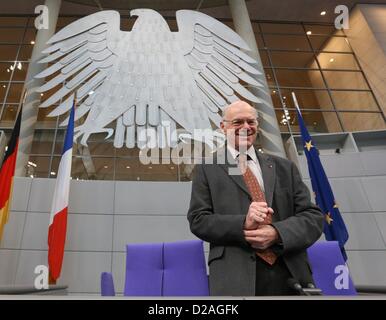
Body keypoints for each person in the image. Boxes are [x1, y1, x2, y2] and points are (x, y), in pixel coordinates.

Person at [187, 100, 324, 296]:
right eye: (238, 122)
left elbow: (312, 216)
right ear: (223, 127)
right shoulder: (206, 169)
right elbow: (198, 220)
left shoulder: (284, 167)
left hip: (290, 273)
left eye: (250, 121)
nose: (245, 127)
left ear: (257, 126)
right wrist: (244, 223)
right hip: (235, 276)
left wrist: (277, 233)